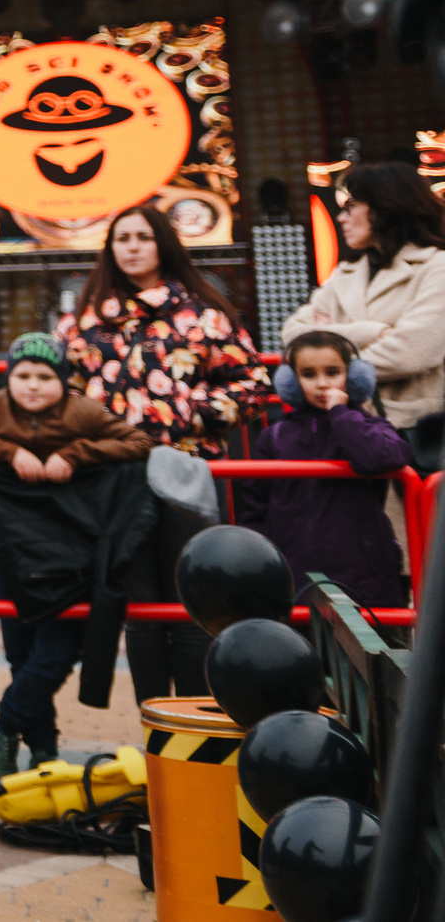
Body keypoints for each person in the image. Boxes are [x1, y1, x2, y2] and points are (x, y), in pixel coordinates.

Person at [58, 200, 272, 701]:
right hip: (115, 477)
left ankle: (195, 722)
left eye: (143, 237)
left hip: (186, 469)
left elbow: (254, 385)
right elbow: (62, 395)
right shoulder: (85, 321)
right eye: (122, 238)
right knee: (140, 612)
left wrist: (185, 410)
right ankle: (156, 728)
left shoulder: (203, 314)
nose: (132, 248)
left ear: (164, 244)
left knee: (190, 600)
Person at [0, 333, 153, 775]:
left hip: (69, 552)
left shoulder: (83, 411)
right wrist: (6, 451)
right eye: (23, 375)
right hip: (12, 551)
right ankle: (43, 751)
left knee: (57, 651)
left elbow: (137, 443)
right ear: (10, 377)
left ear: (63, 381)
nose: (33, 385)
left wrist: (76, 453)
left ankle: (3, 725)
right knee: (21, 655)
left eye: (45, 377)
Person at [249, 330, 412, 609]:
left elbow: (383, 456)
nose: (322, 384)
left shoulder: (369, 426)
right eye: (309, 374)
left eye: (333, 372)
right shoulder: (274, 437)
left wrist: (340, 414)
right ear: (291, 382)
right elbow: (256, 509)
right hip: (294, 577)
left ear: (355, 377)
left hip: (364, 580)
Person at [283, 161, 445, 430]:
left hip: (411, 428)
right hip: (340, 426)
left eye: (350, 206)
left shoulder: (436, 267)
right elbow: (292, 335)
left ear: (386, 208)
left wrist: (322, 361)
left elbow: (409, 354)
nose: (341, 218)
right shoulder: (347, 272)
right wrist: (370, 331)